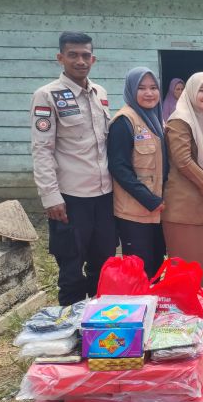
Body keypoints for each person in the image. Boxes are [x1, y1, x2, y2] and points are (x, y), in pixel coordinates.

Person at [30, 31, 117, 306]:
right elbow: (41, 149)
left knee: (103, 266)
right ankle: (70, 331)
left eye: (85, 55)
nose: (81, 61)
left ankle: (99, 327)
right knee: (71, 270)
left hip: (104, 197)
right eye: (73, 55)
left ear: (94, 58)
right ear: (60, 58)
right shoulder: (47, 96)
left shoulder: (100, 94)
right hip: (70, 199)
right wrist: (50, 196)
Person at [162, 72, 203, 287]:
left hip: (201, 206)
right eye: (202, 90)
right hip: (184, 208)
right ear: (191, 91)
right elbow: (183, 161)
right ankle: (189, 319)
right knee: (189, 273)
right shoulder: (180, 120)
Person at [107, 67, 168, 278]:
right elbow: (119, 168)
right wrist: (150, 200)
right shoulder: (124, 121)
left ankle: (153, 308)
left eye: (153, 88)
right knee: (140, 271)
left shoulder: (156, 120)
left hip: (156, 211)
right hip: (134, 212)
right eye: (141, 88)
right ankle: (140, 310)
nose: (149, 93)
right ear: (131, 90)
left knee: (156, 265)